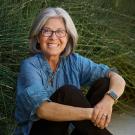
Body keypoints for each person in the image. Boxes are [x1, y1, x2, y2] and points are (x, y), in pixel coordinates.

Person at [15, 7, 126, 135]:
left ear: (68, 37)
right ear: (38, 37)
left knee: (105, 83)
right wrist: (93, 113)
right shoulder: (29, 66)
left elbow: (116, 77)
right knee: (67, 93)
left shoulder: (73, 61)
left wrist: (108, 101)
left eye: (60, 32)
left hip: (68, 130)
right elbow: (42, 110)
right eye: (46, 31)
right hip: (39, 131)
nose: (53, 37)